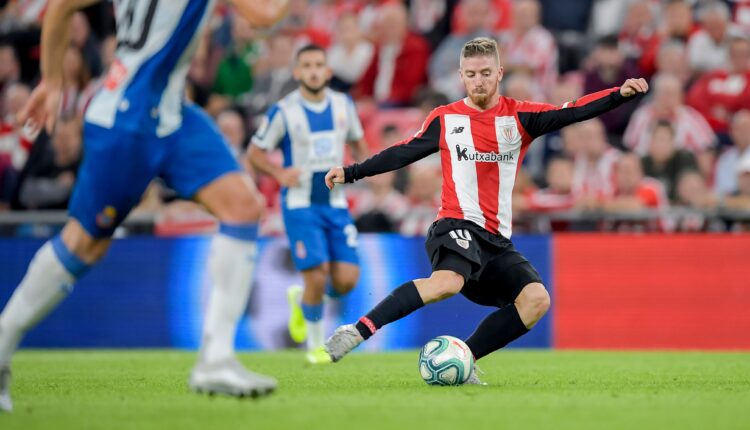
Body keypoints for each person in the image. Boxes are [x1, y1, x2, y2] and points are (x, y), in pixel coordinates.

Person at [0, 0, 289, 412]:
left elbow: (61, 6)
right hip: (129, 118)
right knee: (84, 243)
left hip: (167, 111)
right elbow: (265, 14)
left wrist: (50, 81)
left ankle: (216, 359)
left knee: (243, 206)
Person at [322, 37, 648, 382]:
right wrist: (352, 171)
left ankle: (463, 357)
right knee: (446, 283)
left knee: (536, 300)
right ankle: (358, 330)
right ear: (461, 76)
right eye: (472, 74)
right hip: (455, 225)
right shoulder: (446, 119)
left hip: (495, 240)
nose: (479, 80)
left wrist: (618, 95)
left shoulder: (521, 117)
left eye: (486, 73)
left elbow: (571, 110)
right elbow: (403, 151)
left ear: (499, 74)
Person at [248, 44, 368, 364]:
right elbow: (255, 152)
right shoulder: (284, 111)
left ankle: (303, 302)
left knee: (346, 280)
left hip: (336, 202)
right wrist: (277, 171)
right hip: (300, 204)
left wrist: (366, 164)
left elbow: (358, 142)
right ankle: (316, 347)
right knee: (316, 273)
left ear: (327, 71)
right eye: (307, 65)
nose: (314, 71)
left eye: (319, 65)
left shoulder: (344, 105)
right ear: (297, 72)